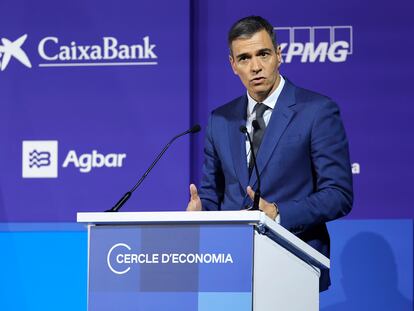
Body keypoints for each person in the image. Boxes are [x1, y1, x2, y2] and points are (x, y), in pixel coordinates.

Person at [187, 15, 353, 291]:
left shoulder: (316, 111)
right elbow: (212, 192)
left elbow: (339, 194)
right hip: (229, 264)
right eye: (244, 58)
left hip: (293, 260)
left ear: (279, 54)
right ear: (233, 65)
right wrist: (201, 211)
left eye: (263, 54)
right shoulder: (221, 119)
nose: (255, 67)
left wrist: (277, 213)